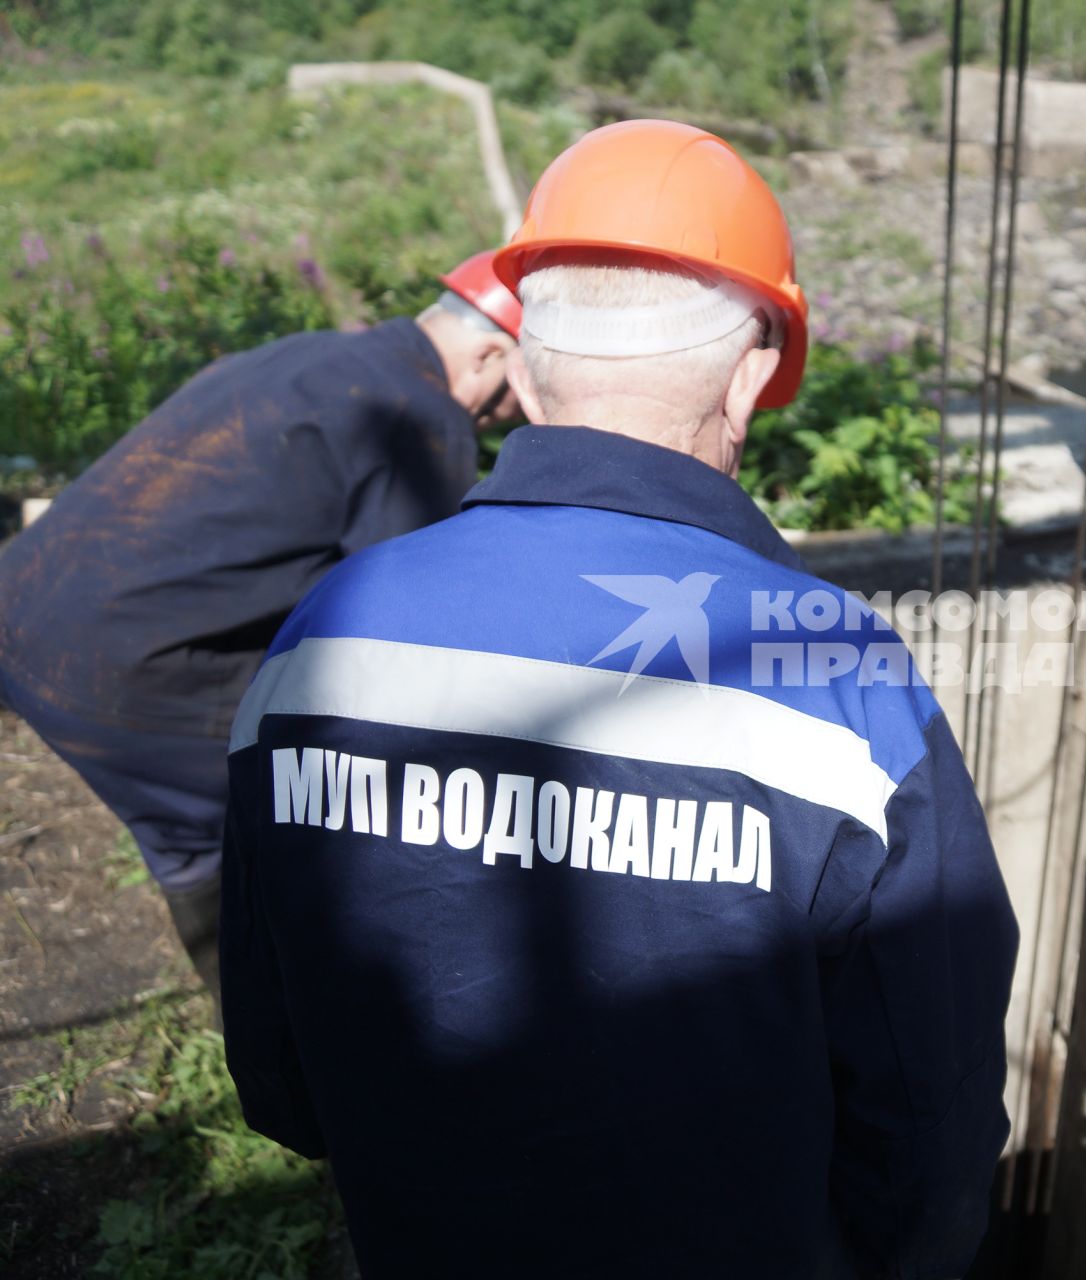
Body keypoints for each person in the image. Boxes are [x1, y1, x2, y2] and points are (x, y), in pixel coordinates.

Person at [220, 120, 1019, 1278]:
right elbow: (929, 1130)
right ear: (751, 374)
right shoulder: (840, 683)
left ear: (530, 366)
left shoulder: (321, 637)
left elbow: (284, 1074)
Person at [0, 251, 521, 997]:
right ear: (491, 351)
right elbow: (415, 625)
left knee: (209, 826)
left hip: (26, 607)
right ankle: (288, 1042)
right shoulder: (421, 415)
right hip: (117, 670)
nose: (512, 411)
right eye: (515, 392)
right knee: (267, 824)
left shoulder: (317, 354)